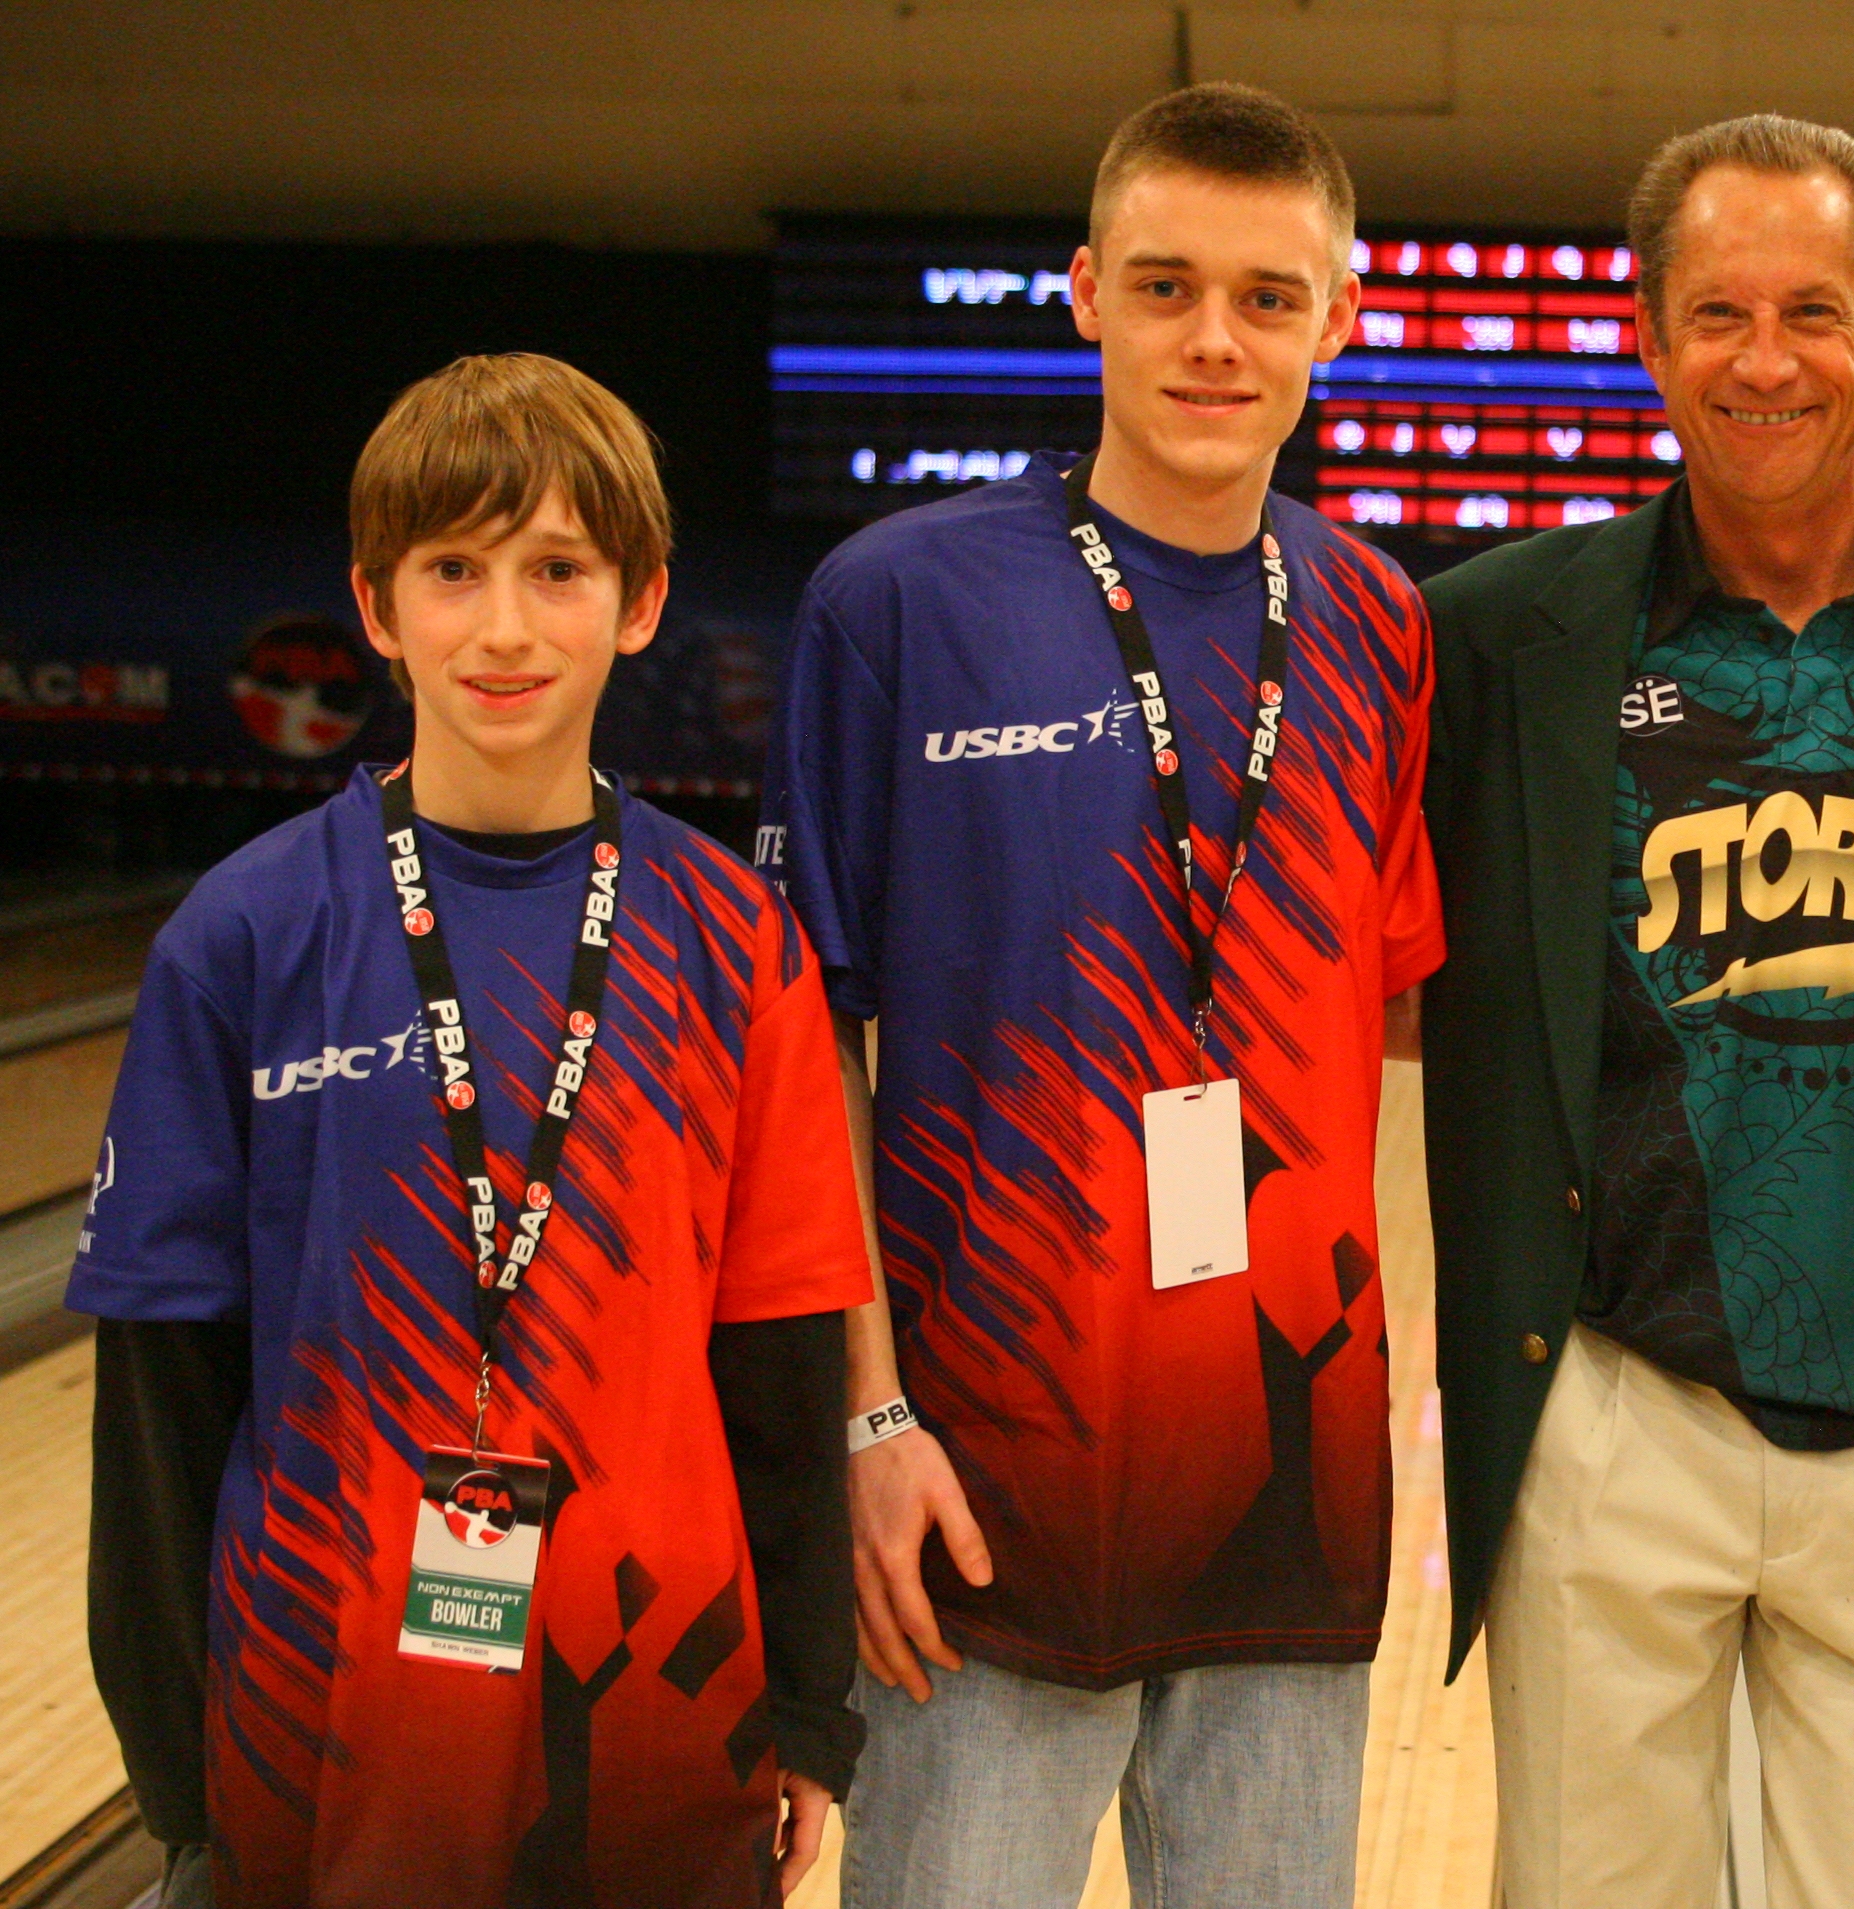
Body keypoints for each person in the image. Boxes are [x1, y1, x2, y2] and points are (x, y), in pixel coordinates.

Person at [757, 82, 1441, 1908]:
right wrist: (863, 1418)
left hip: (1293, 1507)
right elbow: (800, 1038)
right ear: (1082, 294)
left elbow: (1369, 1015)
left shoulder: (1379, 617)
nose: (1215, 339)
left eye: (1268, 296)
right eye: (1163, 285)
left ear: (1342, 316)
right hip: (979, 1494)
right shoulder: (897, 603)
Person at [74, 352, 872, 1909]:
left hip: (666, 1714)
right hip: (314, 1725)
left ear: (638, 601)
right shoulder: (242, 936)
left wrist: (810, 1712)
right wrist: (180, 1773)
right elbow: (162, 1394)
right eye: (455, 571)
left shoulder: (734, 942)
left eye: (556, 570)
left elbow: (782, 1356)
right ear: (377, 606)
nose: (505, 627)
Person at [1418, 114, 1854, 1908]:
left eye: (1811, 311)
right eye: (1717, 313)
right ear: (1648, 336)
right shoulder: (1490, 637)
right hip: (1619, 1402)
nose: (1766, 360)